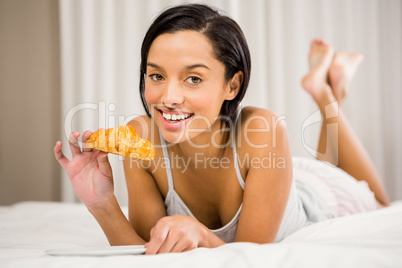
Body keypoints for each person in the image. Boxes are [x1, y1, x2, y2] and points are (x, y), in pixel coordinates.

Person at [54, 4, 389, 255]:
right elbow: (149, 254)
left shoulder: (264, 131)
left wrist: (199, 234)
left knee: (382, 205)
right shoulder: (140, 139)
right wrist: (101, 203)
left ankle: (325, 92)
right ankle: (329, 85)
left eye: (194, 79)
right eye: (156, 75)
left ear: (233, 84)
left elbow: (251, 256)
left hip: (313, 195)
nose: (168, 98)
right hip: (272, 173)